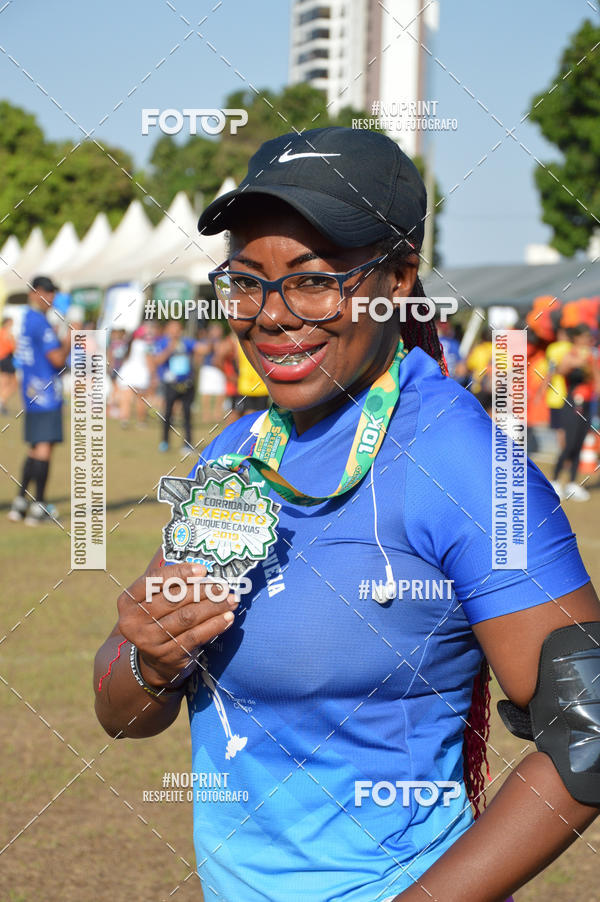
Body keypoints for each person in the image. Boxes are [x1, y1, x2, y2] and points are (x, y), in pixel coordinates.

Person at [94, 128, 600, 902]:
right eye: (246, 281)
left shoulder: (466, 463)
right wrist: (150, 662)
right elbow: (123, 715)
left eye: (313, 281)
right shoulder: (230, 457)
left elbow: (587, 736)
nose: (270, 315)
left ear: (399, 278)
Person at [9, 276, 70, 524]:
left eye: (53, 293)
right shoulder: (40, 322)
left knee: (35, 448)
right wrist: (69, 340)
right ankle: (39, 506)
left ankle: (19, 502)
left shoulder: (26, 319)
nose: (51, 298)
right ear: (34, 292)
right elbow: (56, 359)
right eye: (47, 293)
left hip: (32, 393)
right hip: (47, 395)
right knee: (44, 449)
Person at [550, 324, 600, 501]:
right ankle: (555, 480)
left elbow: (596, 378)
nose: (589, 339)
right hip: (571, 403)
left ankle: (572, 482)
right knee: (569, 444)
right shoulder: (570, 354)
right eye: (585, 336)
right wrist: (576, 363)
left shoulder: (592, 355)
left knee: (579, 443)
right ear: (577, 338)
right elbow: (560, 371)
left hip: (587, 404)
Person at [154, 319, 201, 453]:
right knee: (168, 413)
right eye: (173, 329)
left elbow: (201, 348)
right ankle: (165, 442)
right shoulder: (162, 343)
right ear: (167, 330)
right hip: (171, 384)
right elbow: (157, 360)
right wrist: (169, 349)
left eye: (178, 329)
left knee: (187, 414)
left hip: (187, 384)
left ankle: (188, 444)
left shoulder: (186, 342)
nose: (175, 332)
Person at [0, 315, 17, 414]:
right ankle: (2, 401)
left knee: (3, 382)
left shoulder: (1, 332)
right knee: (14, 383)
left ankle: (2, 402)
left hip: (3, 359)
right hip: (6, 358)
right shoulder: (7, 332)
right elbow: (13, 347)